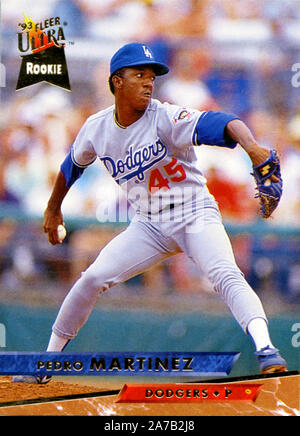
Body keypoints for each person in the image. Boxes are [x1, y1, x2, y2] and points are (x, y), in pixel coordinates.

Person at [13, 42, 287, 384]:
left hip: (194, 214)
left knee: (225, 275)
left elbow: (223, 122)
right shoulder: (96, 128)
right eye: (139, 74)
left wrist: (253, 148)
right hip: (150, 225)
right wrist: (53, 210)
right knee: (91, 279)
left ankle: (266, 350)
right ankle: (47, 365)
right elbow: (72, 166)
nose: (148, 82)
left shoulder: (165, 116)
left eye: (152, 76)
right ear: (117, 81)